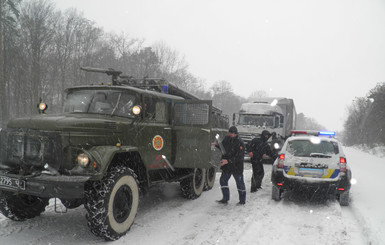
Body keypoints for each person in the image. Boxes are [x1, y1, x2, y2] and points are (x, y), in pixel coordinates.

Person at [216, 126, 246, 205]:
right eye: (230, 133)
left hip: (237, 167)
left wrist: (228, 161)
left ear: (236, 134)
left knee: (239, 183)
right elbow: (222, 147)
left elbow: (239, 157)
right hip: (227, 166)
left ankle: (242, 200)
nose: (231, 135)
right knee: (223, 180)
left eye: (232, 133)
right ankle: (225, 198)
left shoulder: (240, 143)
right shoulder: (226, 139)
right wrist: (216, 145)